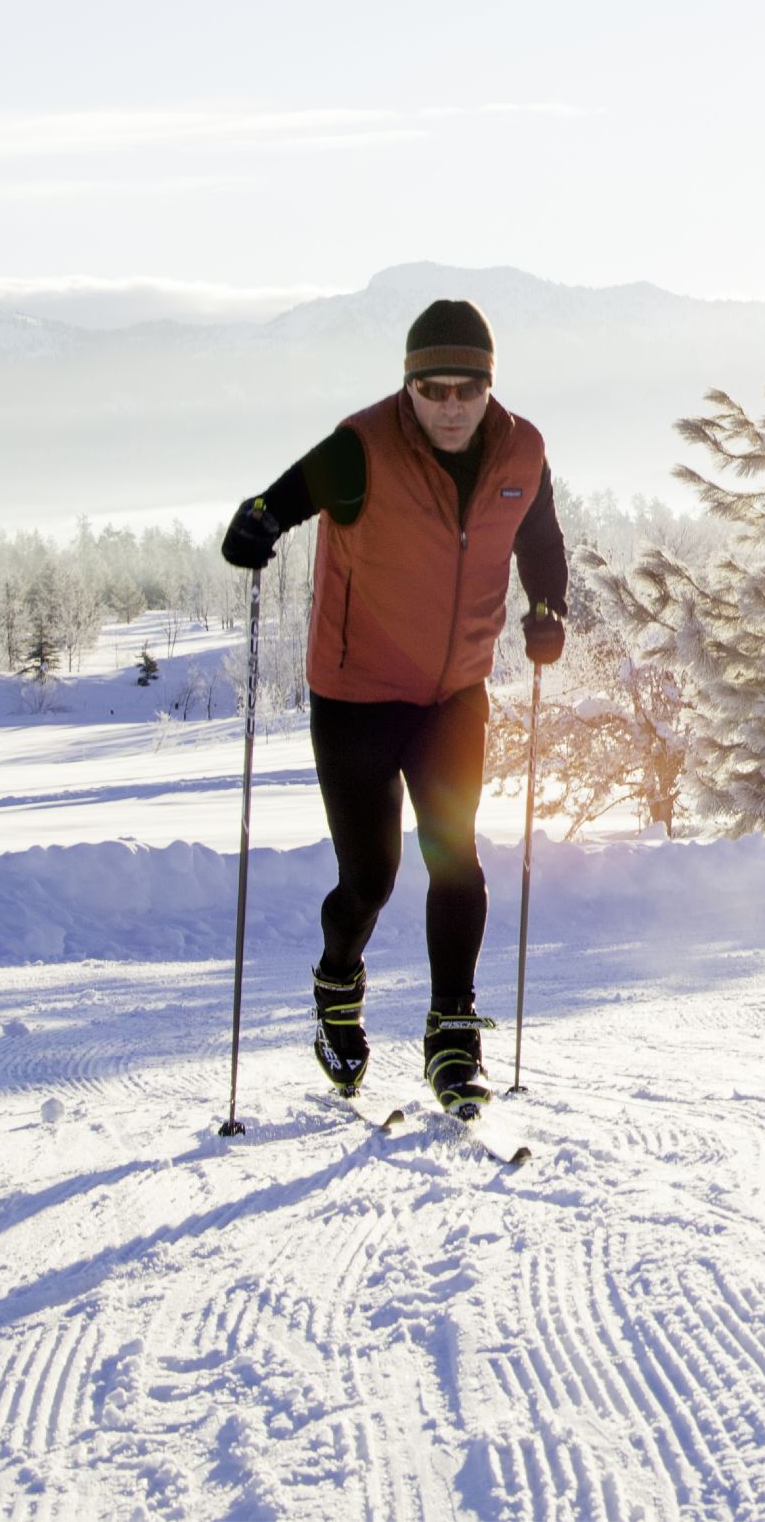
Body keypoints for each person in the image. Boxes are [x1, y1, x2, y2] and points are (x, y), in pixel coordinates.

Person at [221, 296, 565, 1118]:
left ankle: (453, 1035)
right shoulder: (363, 446)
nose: (450, 405)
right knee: (368, 879)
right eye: (432, 388)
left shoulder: (523, 449)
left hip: (454, 693)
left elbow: (540, 539)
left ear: (490, 386)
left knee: (456, 860)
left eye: (466, 388)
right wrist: (256, 524)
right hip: (357, 695)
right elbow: (281, 500)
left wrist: (547, 607)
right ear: (407, 386)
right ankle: (338, 981)